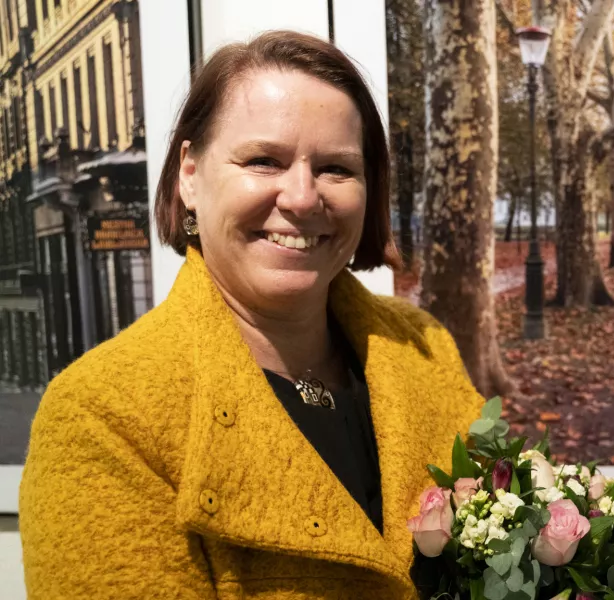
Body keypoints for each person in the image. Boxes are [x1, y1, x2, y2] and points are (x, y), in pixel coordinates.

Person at [19, 31, 483, 599]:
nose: (303, 197)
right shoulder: (102, 417)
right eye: (264, 160)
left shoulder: (425, 346)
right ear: (190, 174)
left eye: (337, 168)